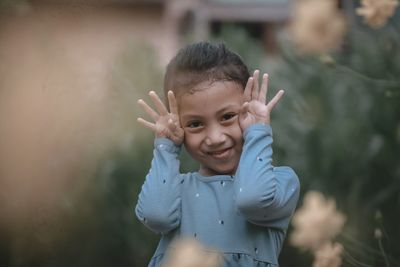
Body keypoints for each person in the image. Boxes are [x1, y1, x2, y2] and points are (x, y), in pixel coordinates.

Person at [135, 41, 300, 267]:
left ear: (248, 108)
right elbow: (156, 216)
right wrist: (166, 146)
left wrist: (257, 131)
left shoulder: (281, 183)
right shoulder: (176, 191)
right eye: (195, 124)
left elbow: (251, 200)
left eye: (227, 117)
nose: (215, 137)